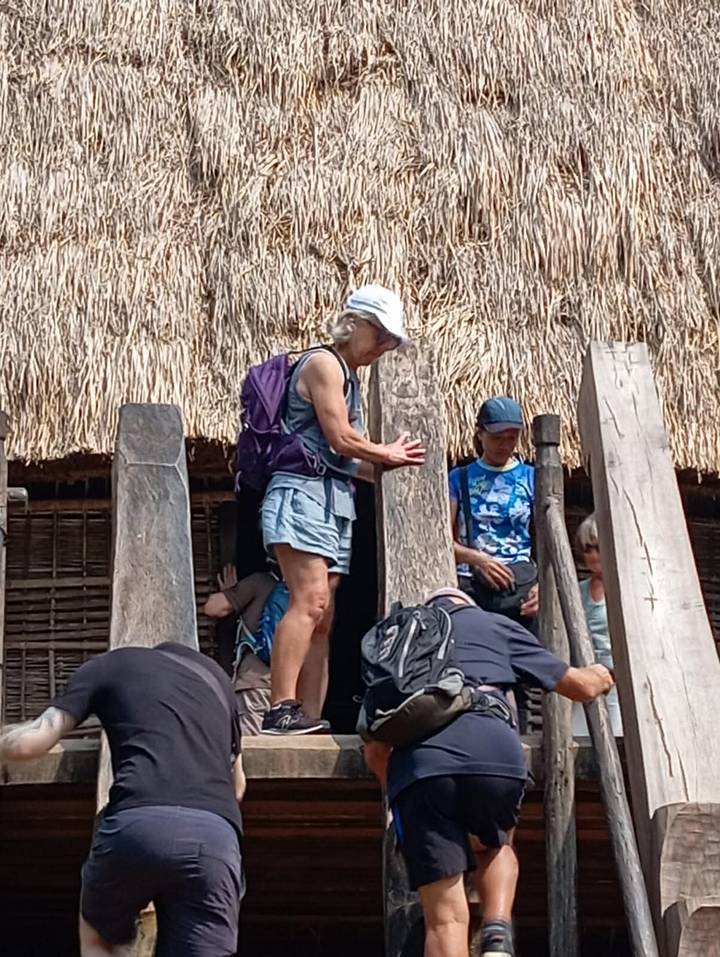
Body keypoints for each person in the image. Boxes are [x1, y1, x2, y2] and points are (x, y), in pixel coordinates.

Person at [364, 587, 614, 957]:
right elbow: (580, 686)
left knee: (445, 920)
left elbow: (375, 748)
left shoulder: (395, 641)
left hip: (421, 765)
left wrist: (400, 798)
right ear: (467, 605)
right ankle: (497, 933)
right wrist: (602, 673)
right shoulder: (494, 624)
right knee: (496, 846)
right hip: (492, 750)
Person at [0, 641, 246, 957]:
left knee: (98, 935)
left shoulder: (108, 666)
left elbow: (29, 744)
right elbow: (237, 785)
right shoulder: (218, 681)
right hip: (214, 837)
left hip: (138, 826)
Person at [261, 284, 426, 735]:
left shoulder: (349, 376)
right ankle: (280, 708)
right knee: (309, 601)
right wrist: (388, 452)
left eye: (392, 341)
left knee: (325, 614)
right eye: (382, 336)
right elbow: (341, 438)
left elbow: (348, 460)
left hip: (333, 498)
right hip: (302, 495)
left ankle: (309, 715)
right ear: (355, 325)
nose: (385, 348)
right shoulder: (323, 364)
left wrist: (398, 473)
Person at [203, 564, 288, 735]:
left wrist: (233, 593)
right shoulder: (310, 591)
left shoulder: (261, 582)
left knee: (251, 749)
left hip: (255, 684)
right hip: (291, 693)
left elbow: (212, 607)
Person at [571, 513, 623, 737]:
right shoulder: (577, 590)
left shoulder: (624, 588)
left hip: (618, 684)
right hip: (585, 680)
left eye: (597, 548)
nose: (592, 556)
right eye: (587, 549)